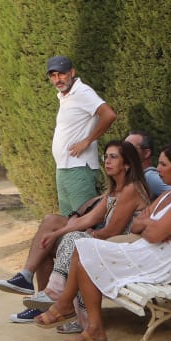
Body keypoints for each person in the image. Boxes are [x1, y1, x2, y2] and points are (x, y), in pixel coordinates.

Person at [37, 145, 171, 341]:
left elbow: (152, 235)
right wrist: (151, 225)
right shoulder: (166, 197)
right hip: (146, 251)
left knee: (85, 249)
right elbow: (136, 226)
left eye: (163, 164)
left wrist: (150, 225)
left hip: (160, 263)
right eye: (159, 163)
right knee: (82, 249)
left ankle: (65, 305)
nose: (157, 169)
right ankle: (93, 328)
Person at [8, 141, 151, 325]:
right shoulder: (115, 191)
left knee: (76, 239)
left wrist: (91, 235)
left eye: (113, 157)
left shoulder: (132, 189)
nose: (107, 161)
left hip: (125, 251)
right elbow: (89, 219)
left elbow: (113, 230)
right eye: (105, 157)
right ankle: (57, 307)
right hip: (112, 245)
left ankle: (56, 294)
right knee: (55, 241)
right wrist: (55, 233)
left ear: (127, 164)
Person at [46, 55, 119, 222]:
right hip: (63, 170)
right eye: (53, 75)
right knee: (67, 222)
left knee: (83, 223)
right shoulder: (65, 96)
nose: (57, 79)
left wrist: (88, 140)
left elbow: (109, 114)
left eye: (61, 74)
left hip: (79, 169)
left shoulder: (82, 92)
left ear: (72, 72)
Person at [127, 131, 170, 197]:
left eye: (130, 147)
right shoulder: (137, 177)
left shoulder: (149, 177)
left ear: (147, 153)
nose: (123, 152)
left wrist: (152, 207)